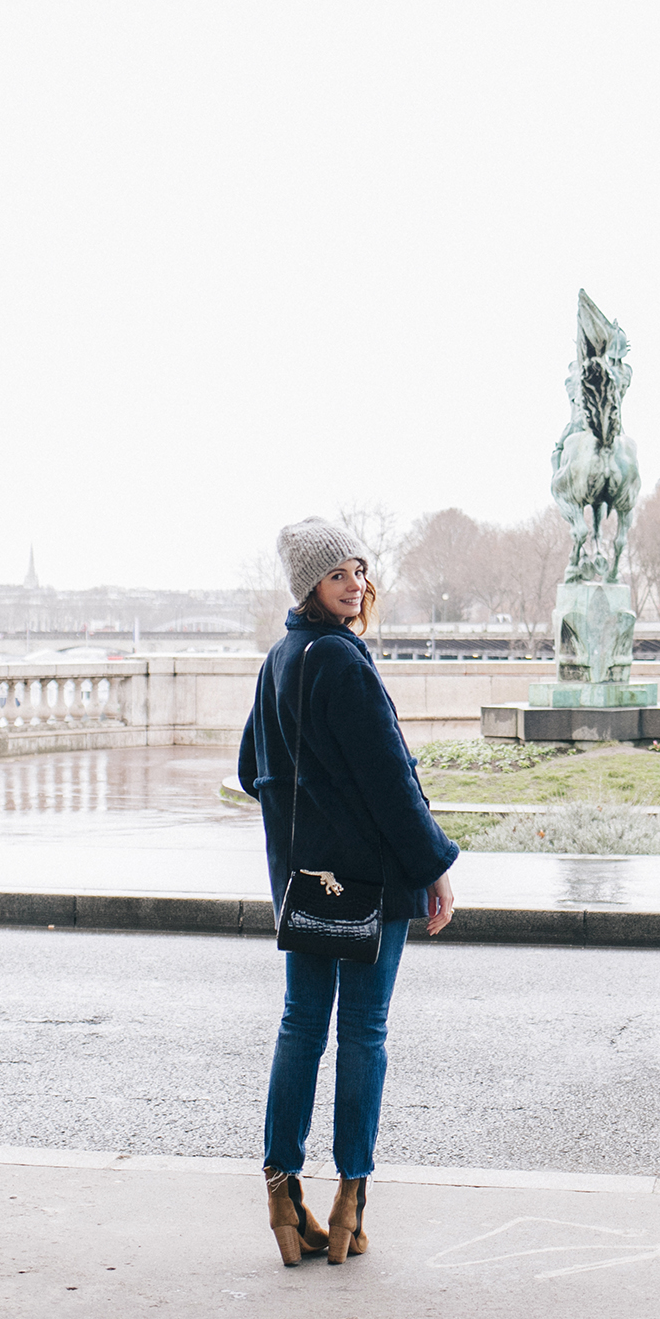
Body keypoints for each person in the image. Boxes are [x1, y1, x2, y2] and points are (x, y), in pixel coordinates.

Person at [239, 517, 458, 1268]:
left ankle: (281, 1192)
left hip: (305, 885)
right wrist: (432, 866)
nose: (356, 585)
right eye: (337, 574)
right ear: (310, 585)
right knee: (363, 1033)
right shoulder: (341, 658)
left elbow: (252, 771)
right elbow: (391, 783)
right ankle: (350, 1202)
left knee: (301, 1026)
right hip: (371, 883)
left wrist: (311, 825)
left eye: (359, 571)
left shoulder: (280, 659)